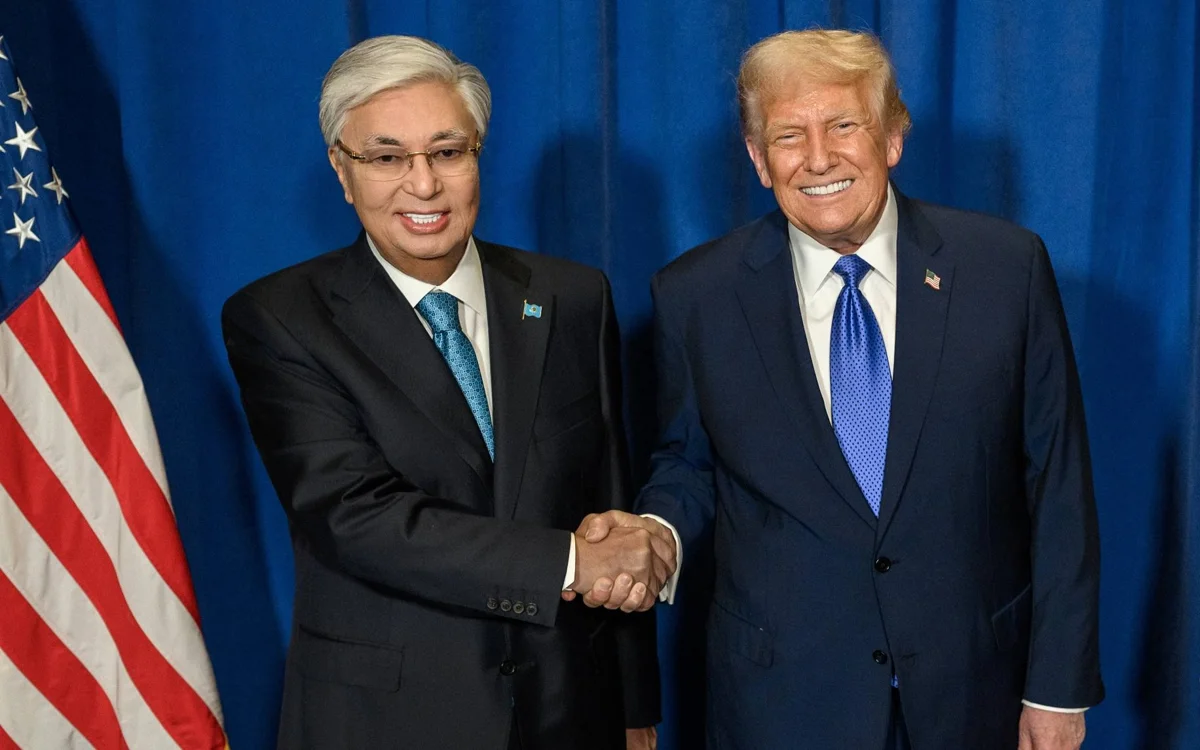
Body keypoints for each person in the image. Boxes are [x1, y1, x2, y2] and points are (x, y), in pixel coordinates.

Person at [576, 29, 1103, 750]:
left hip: (975, 691)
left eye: (844, 125)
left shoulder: (1004, 269)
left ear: (893, 136)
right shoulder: (696, 295)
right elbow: (688, 465)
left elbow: (1058, 488)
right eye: (788, 136)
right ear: (758, 159)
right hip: (784, 703)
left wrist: (1058, 688)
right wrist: (656, 535)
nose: (818, 158)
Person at [222, 35, 671, 750]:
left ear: (478, 154)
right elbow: (356, 516)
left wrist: (634, 704)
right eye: (387, 158)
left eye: (447, 152)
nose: (424, 185)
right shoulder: (281, 318)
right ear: (342, 170)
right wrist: (571, 562)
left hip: (570, 711)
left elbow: (607, 497)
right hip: (385, 720)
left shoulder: (571, 296)